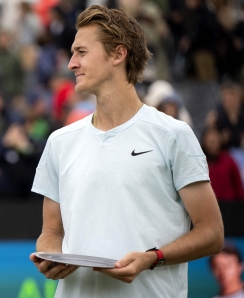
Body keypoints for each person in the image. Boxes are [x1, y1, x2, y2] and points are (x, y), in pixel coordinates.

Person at [29, 5, 224, 298]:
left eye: (81, 52)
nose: (71, 63)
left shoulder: (173, 135)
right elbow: (52, 232)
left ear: (118, 55)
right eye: (72, 53)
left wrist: (152, 258)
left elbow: (212, 233)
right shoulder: (59, 141)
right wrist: (51, 257)